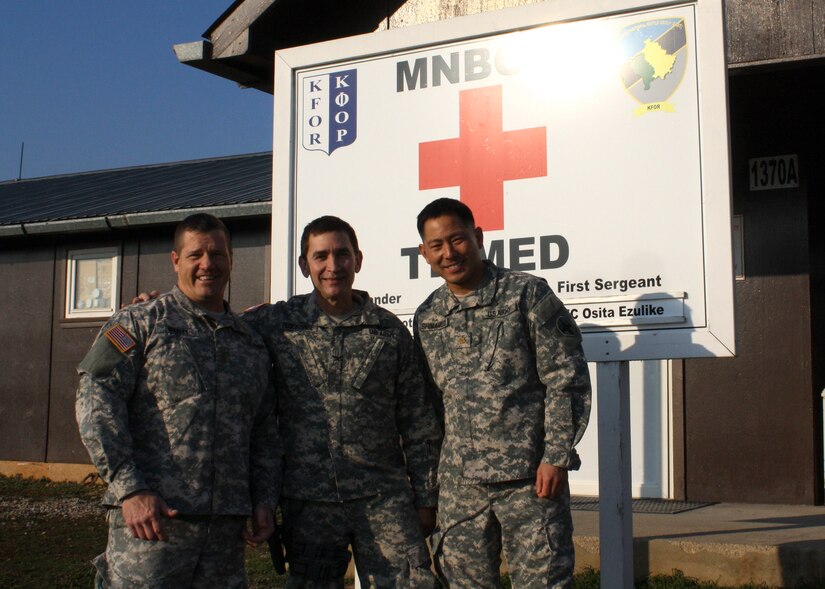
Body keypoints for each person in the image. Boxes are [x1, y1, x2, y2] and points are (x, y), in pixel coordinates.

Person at [76, 213, 282, 589]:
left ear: (231, 259)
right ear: (175, 260)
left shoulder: (250, 343)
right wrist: (131, 489)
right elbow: (95, 403)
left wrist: (264, 498)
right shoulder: (136, 324)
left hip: (224, 534)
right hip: (152, 526)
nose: (208, 264)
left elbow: (264, 429)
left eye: (218, 254)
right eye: (196, 255)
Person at [241, 215, 442, 588]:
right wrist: (149, 308)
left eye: (341, 254)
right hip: (309, 502)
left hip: (383, 498)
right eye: (320, 257)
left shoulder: (388, 332)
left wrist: (426, 497)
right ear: (305, 265)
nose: (332, 266)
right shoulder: (276, 323)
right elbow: (211, 328)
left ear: (358, 260)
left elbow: (418, 421)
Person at [413, 198, 592, 589]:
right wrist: (430, 488)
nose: (449, 253)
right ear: (424, 254)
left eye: (457, 240)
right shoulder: (427, 317)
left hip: (529, 482)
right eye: (437, 246)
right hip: (460, 491)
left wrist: (556, 455)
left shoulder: (526, 295)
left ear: (477, 237)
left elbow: (565, 379)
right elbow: (427, 412)